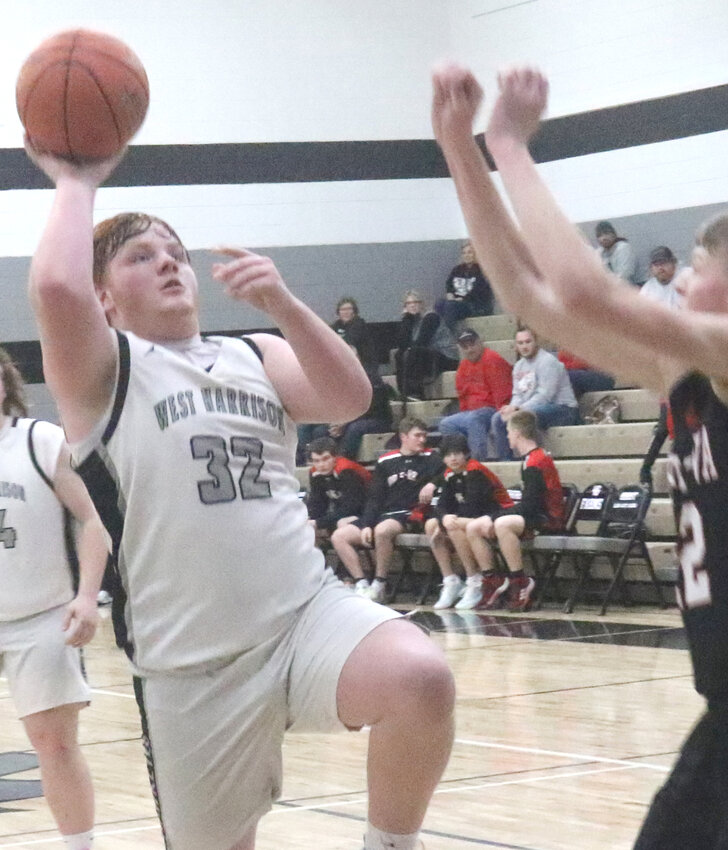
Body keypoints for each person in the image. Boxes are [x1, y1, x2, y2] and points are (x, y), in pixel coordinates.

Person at [25, 145, 455, 850]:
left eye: (176, 252)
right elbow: (54, 292)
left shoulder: (254, 351)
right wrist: (76, 179)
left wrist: (283, 303)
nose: (168, 261)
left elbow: (348, 397)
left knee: (419, 677)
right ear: (104, 297)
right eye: (140, 256)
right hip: (192, 663)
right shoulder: (105, 372)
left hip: (302, 617)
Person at [432, 61, 728, 849]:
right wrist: (458, 148)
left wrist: (511, 145)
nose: (676, 283)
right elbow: (532, 297)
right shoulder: (690, 379)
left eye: (694, 270)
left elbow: (590, 292)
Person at [0, 347, 107, 850]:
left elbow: (92, 523)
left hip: (40, 615)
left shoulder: (41, 441)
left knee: (56, 745)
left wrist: (87, 597)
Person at [331, 416, 444, 603]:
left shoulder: (431, 458)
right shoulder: (386, 461)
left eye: (424, 436)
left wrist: (433, 483)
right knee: (339, 536)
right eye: (417, 436)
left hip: (409, 514)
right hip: (383, 513)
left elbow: (446, 473)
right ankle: (361, 583)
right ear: (404, 437)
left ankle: (380, 583)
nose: (422, 440)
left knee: (383, 530)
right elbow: (375, 497)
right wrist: (367, 523)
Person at [467, 411, 563, 611]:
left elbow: (530, 506)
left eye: (509, 432)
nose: (507, 436)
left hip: (548, 518)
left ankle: (520, 580)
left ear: (518, 433)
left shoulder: (536, 461)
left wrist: (494, 517)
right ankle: (492, 579)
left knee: (503, 524)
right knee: (474, 526)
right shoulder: (530, 459)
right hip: (534, 514)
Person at [425, 434, 514, 610]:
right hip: (473, 519)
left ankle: (474, 579)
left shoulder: (475, 471)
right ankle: (450, 580)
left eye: (457, 453)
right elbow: (441, 506)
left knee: (454, 525)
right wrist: (443, 519)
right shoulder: (450, 474)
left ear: (466, 453)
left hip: (496, 517)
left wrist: (446, 522)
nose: (453, 458)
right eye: (448, 455)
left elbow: (474, 507)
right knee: (431, 524)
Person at [490, 326, 579, 459]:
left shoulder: (548, 361)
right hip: (531, 407)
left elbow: (545, 396)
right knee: (498, 418)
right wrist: (511, 408)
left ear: (536, 341)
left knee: (528, 417)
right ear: (516, 346)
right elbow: (517, 395)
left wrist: (519, 409)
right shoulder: (518, 366)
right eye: (520, 343)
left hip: (563, 409)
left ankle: (536, 459)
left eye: (528, 342)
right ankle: (507, 463)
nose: (524, 346)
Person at [437, 328, 512, 460]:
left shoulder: (492, 359)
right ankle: (462, 459)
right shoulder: (463, 366)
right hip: (472, 412)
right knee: (446, 424)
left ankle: (478, 463)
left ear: (480, 342)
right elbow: (463, 396)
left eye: (472, 344)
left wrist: (500, 414)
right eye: (465, 346)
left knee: (474, 418)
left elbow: (502, 392)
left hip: (492, 409)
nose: (470, 349)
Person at [305, 436, 371, 546]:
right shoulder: (315, 473)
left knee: (342, 523)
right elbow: (317, 502)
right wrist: (310, 518)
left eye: (326, 459)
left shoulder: (346, 471)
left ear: (335, 457)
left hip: (365, 512)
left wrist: (319, 522)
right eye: (316, 461)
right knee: (306, 525)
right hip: (342, 511)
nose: (321, 465)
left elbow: (352, 506)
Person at [394, 290, 458, 400]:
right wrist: (406, 319)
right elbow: (402, 345)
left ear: (421, 304)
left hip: (447, 357)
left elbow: (421, 342)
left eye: (416, 302)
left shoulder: (431, 317)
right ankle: (404, 393)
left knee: (415, 351)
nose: (413, 305)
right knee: (399, 354)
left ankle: (416, 392)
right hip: (428, 356)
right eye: (409, 303)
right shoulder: (411, 322)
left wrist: (409, 347)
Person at [434, 241, 494, 329]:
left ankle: (450, 334)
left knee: (450, 306)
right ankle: (441, 331)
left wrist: (462, 299)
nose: (467, 255)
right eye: (464, 253)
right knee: (439, 303)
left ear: (475, 254)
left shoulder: (482, 270)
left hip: (474, 306)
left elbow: (479, 292)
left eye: (470, 252)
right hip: (456, 303)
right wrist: (450, 296)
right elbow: (449, 285)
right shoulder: (457, 270)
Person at [331, 296, 376, 369]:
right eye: (343, 309)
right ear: (338, 312)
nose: (346, 312)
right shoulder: (336, 325)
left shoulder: (359, 324)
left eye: (349, 309)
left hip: (362, 364)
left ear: (354, 311)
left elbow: (351, 340)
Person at [594, 221, 640, 286]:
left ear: (614, 234)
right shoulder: (599, 252)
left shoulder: (623, 247)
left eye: (606, 233)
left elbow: (624, 276)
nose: (603, 238)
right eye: (599, 236)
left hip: (627, 289)